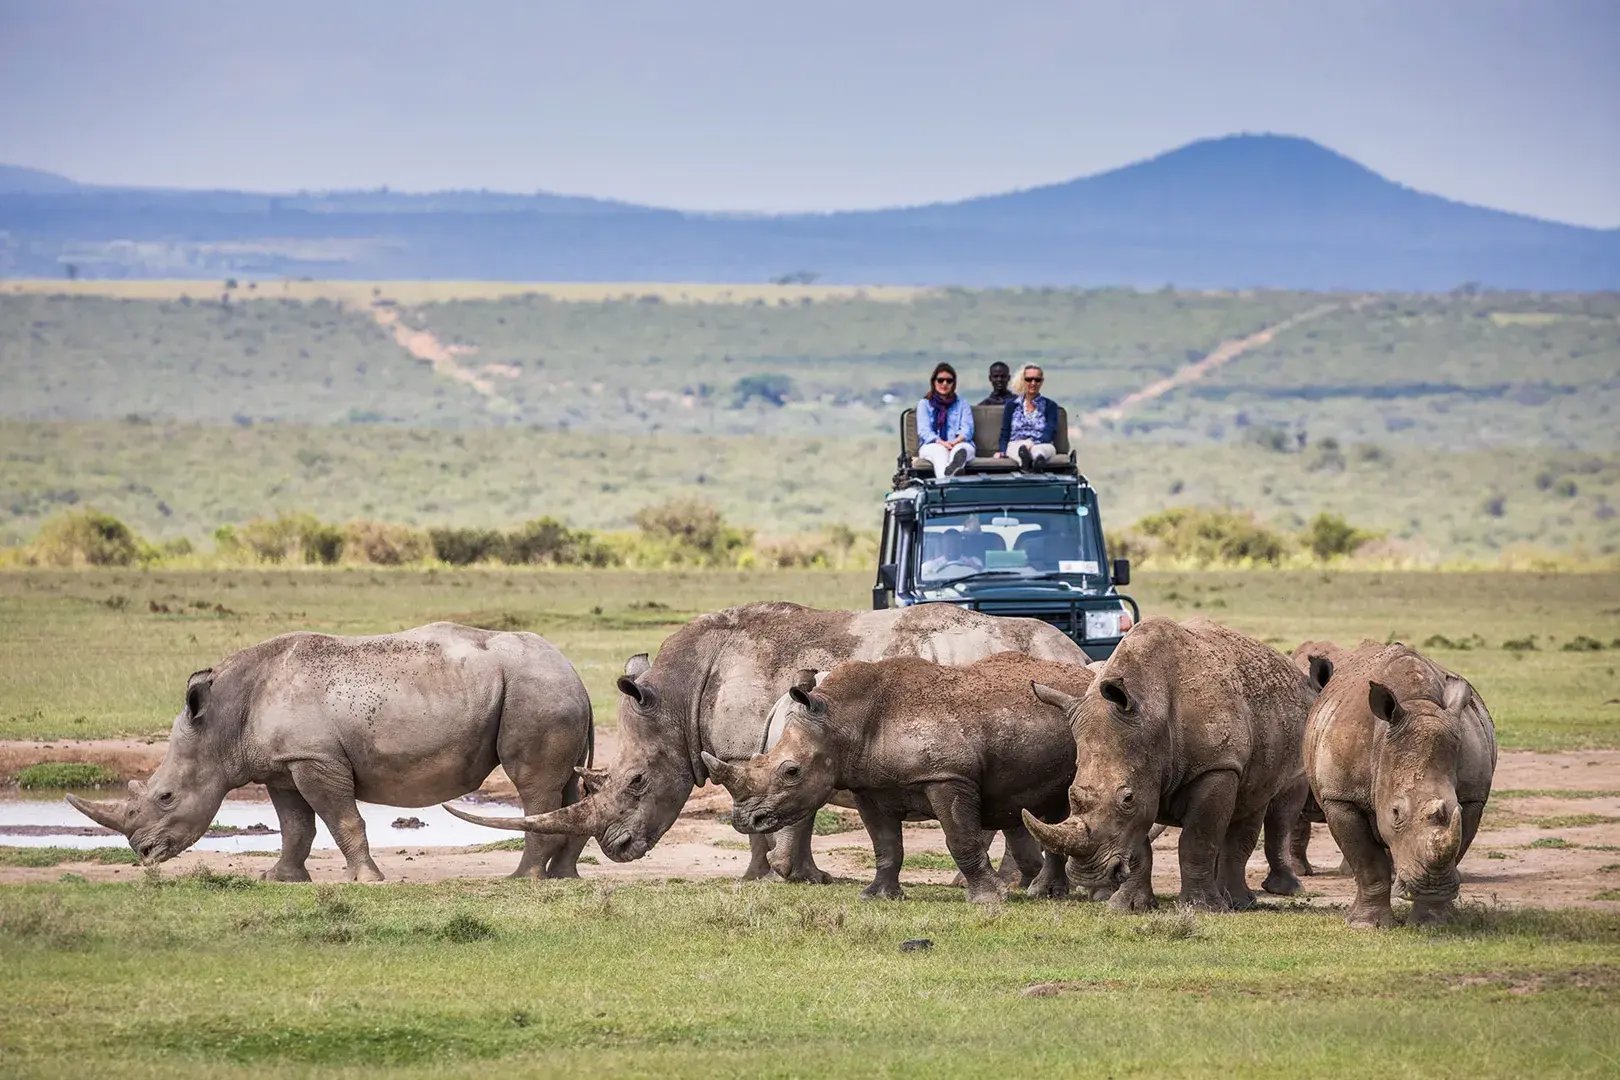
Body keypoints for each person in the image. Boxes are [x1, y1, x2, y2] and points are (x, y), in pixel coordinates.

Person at [996, 363, 1060, 470]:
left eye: (1037, 380)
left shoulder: (1050, 405)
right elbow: (1005, 431)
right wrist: (1002, 451)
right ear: (1023, 381)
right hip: (1016, 443)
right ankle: (1025, 461)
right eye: (1029, 379)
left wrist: (1032, 443)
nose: (1033, 383)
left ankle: (1037, 461)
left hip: (1041, 444)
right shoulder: (1012, 405)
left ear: (1042, 382)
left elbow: (1050, 430)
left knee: (1040, 451)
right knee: (1018, 450)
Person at [916, 361, 975, 476]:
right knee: (939, 452)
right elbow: (924, 431)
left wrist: (955, 442)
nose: (944, 384)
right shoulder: (924, 404)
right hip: (933, 444)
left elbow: (967, 429)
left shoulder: (962, 403)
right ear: (934, 382)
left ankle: (952, 470)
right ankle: (948, 480)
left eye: (949, 381)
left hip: (958, 443)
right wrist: (941, 443)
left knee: (961, 450)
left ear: (954, 383)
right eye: (940, 380)